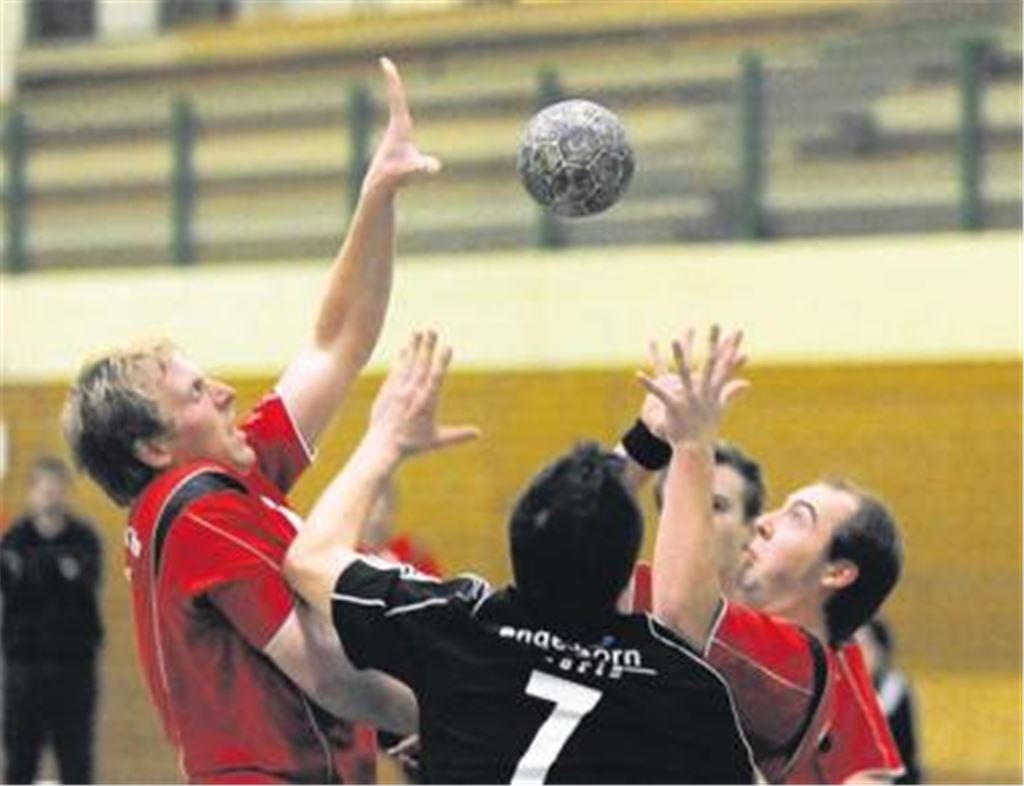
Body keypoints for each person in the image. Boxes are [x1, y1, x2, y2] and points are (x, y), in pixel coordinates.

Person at [61, 57, 433, 783]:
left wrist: (378, 196)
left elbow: (337, 341)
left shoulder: (225, 478)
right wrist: (448, 712)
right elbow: (325, 675)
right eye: (197, 392)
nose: (228, 391)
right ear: (151, 444)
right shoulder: (198, 512)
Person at [282, 327, 756, 784]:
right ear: (628, 575)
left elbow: (312, 558)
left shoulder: (458, 624)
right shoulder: (683, 687)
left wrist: (386, 440)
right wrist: (689, 442)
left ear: (517, 541)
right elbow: (667, 603)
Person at [623, 330, 905, 783]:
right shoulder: (653, 590)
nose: (766, 523)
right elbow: (572, 546)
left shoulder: (807, 667)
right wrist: (641, 444)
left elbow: (870, 777)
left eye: (798, 516)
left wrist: (691, 442)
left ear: (837, 572)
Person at [1, 456, 103, 784]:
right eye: (43, 489)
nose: (50, 496)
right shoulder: (13, 539)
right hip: (24, 668)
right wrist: (58, 569)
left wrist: (31, 570)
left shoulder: (84, 539)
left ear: (65, 493)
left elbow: (85, 581)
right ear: (32, 493)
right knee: (20, 760)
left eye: (56, 489)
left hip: (73, 667)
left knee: (75, 761)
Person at [651, 441, 764, 598]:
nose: (695, 520)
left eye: (716, 506)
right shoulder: (624, 609)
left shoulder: (786, 619)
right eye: (680, 506)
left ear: (750, 531)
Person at [856, 618, 923, 784]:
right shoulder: (829, 689)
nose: (856, 655)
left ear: (881, 652)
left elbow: (906, 753)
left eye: (864, 648)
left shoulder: (894, 690)